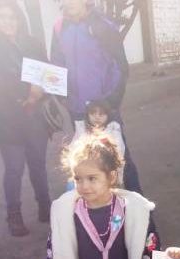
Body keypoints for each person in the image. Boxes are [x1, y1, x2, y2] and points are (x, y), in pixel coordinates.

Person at [0, 0, 51, 236]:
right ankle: (13, 215)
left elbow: (47, 71)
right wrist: (27, 93)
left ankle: (45, 207)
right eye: (2, 17)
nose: (9, 21)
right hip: (5, 118)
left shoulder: (31, 42)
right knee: (14, 167)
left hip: (34, 114)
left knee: (38, 163)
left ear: (20, 19)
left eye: (13, 17)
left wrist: (41, 90)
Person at [51, 0, 142, 193]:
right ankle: (91, 214)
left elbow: (120, 66)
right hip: (77, 109)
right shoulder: (59, 28)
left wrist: (109, 104)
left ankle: (141, 215)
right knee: (84, 162)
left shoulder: (102, 25)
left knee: (119, 161)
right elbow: (57, 64)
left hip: (103, 110)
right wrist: (63, 96)